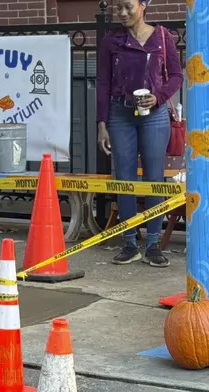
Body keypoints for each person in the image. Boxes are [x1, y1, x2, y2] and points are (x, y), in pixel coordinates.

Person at [96, 0, 183, 267]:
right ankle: (130, 242)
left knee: (155, 177)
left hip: (154, 116)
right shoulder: (111, 41)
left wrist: (158, 97)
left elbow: (177, 76)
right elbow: (102, 82)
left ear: (144, 5)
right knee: (125, 177)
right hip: (120, 114)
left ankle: (154, 243)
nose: (121, 13)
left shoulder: (162, 37)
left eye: (127, 6)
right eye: (116, 8)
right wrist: (102, 123)